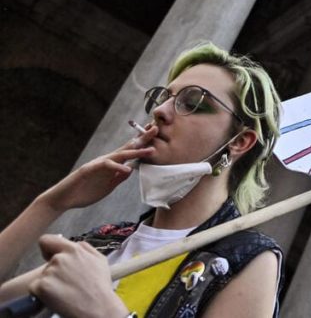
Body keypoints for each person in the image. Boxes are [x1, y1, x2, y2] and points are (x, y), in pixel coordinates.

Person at [0, 42, 284, 317]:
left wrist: (103, 311)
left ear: (240, 141)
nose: (160, 111)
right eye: (164, 98)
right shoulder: (106, 241)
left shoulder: (245, 258)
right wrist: (52, 203)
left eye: (193, 102)